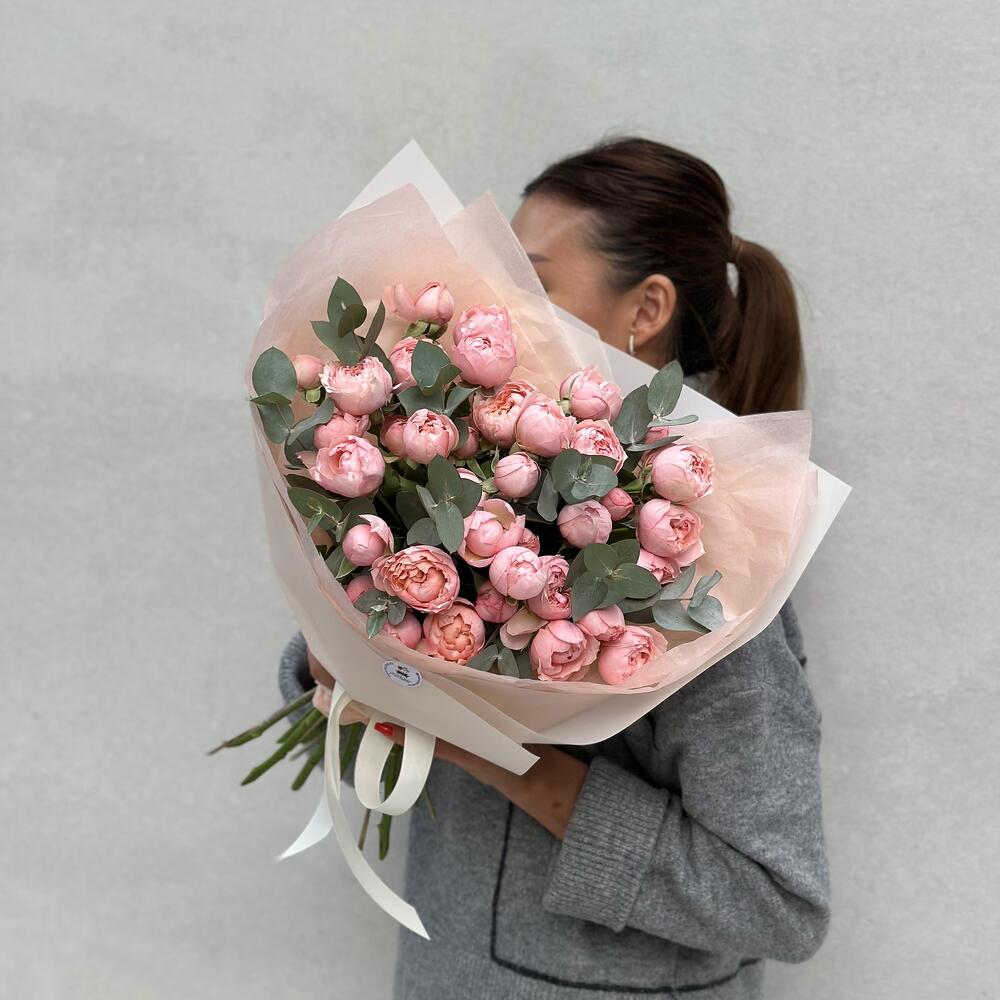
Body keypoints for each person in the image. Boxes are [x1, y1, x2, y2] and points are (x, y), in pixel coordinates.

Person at [278, 137, 829, 999]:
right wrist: (344, 654)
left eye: (529, 282)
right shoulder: (473, 485)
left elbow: (776, 903)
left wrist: (499, 753)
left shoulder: (711, 576)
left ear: (646, 308)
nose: (492, 310)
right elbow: (366, 727)